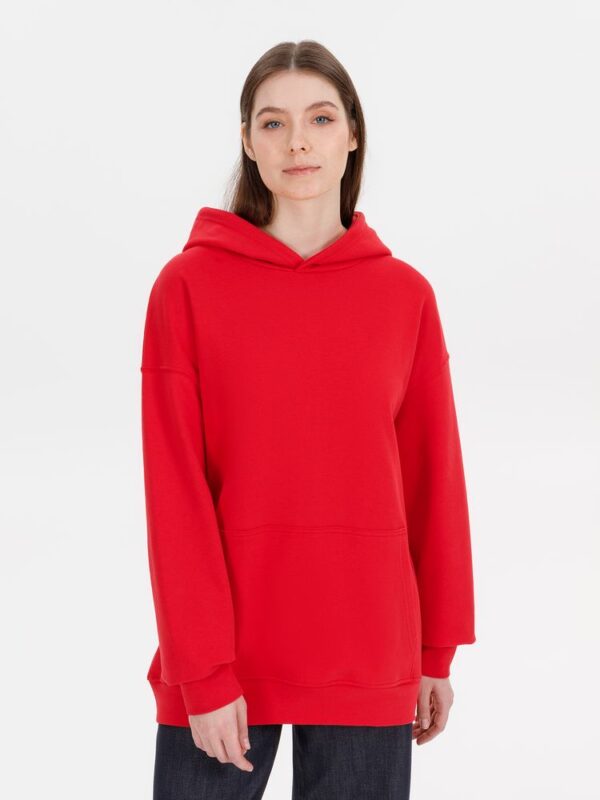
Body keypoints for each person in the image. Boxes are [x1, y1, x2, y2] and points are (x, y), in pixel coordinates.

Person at [140, 39, 476, 800]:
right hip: (225, 661)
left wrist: (436, 652)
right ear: (247, 141)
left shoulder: (405, 296)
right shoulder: (187, 288)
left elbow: (434, 481)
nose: (298, 141)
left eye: (321, 119)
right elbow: (175, 494)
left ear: (352, 134)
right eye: (274, 123)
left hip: (370, 647)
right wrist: (203, 670)